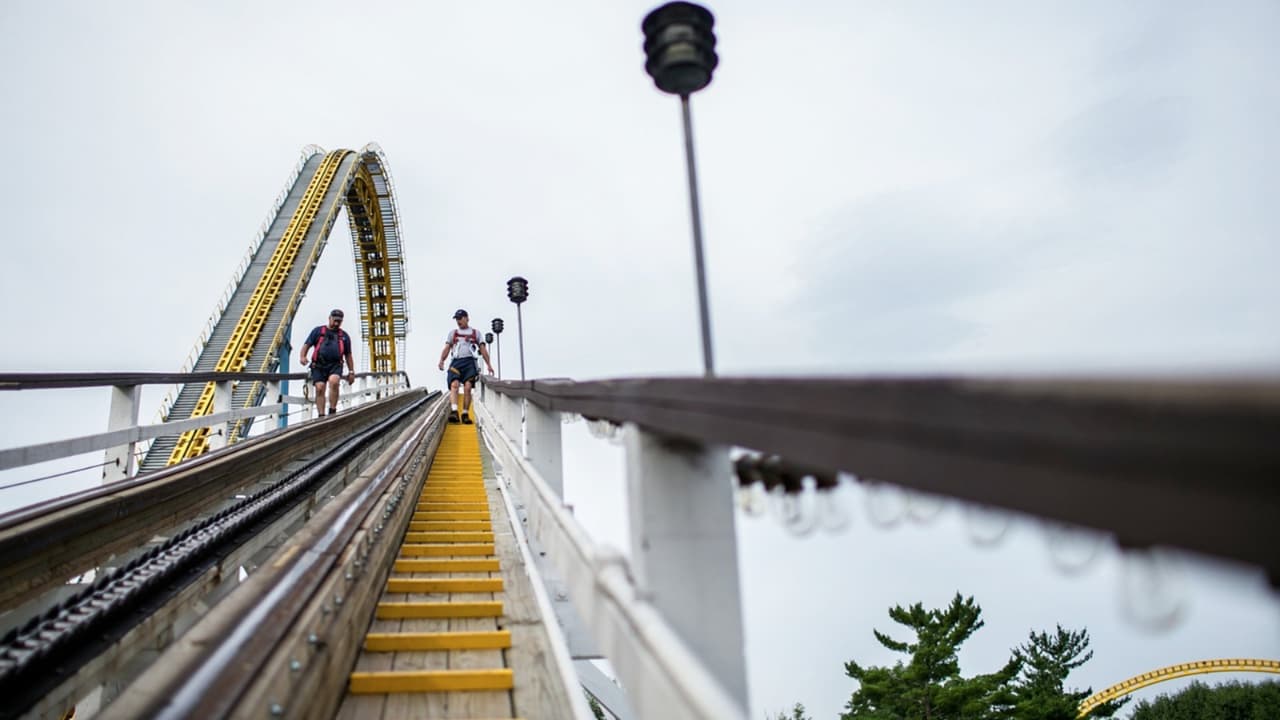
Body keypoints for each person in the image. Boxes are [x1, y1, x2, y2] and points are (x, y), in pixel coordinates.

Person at [437, 309, 494, 424]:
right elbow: (447, 347)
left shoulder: (476, 333)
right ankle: (454, 411)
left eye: (461, 318)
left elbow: (482, 349)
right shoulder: (453, 333)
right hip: (456, 362)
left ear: (467, 318)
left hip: (470, 362)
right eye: (457, 319)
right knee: (454, 384)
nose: (458, 321)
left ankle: (465, 413)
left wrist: (489, 364)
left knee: (468, 387)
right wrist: (442, 360)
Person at [300, 309, 356, 416]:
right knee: (320, 388)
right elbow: (307, 344)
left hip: (335, 365)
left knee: (334, 382)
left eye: (339, 321)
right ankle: (321, 415)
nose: (336, 323)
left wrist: (351, 371)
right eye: (335, 320)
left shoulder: (344, 336)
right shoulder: (318, 331)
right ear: (329, 318)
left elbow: (348, 355)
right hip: (318, 365)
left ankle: (332, 411)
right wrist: (303, 356)